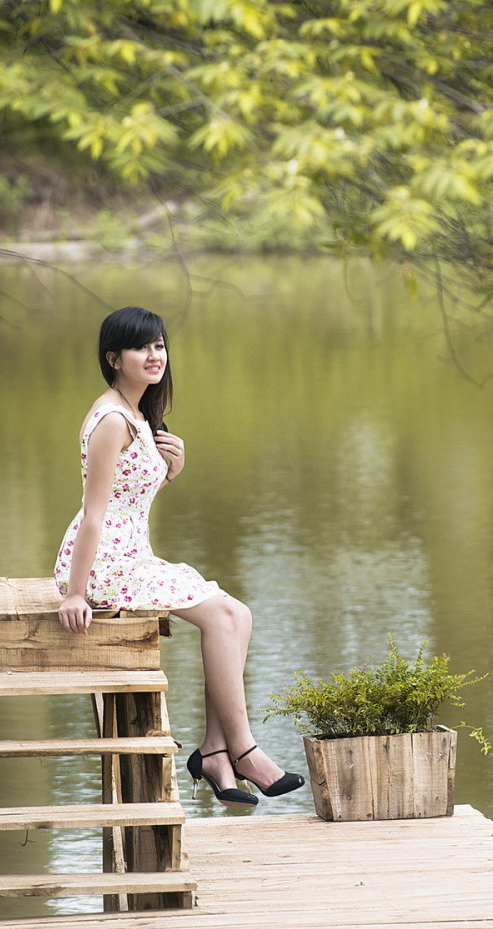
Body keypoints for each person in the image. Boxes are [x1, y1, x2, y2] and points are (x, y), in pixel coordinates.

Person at [54, 306, 302, 807]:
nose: (154, 355)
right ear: (113, 357)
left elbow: (129, 499)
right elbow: (95, 513)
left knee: (239, 614)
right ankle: (244, 751)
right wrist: (76, 592)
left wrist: (169, 473)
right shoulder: (111, 420)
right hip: (105, 564)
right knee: (220, 616)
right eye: (141, 347)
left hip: (129, 556)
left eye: (160, 346)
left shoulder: (139, 415)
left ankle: (215, 751)